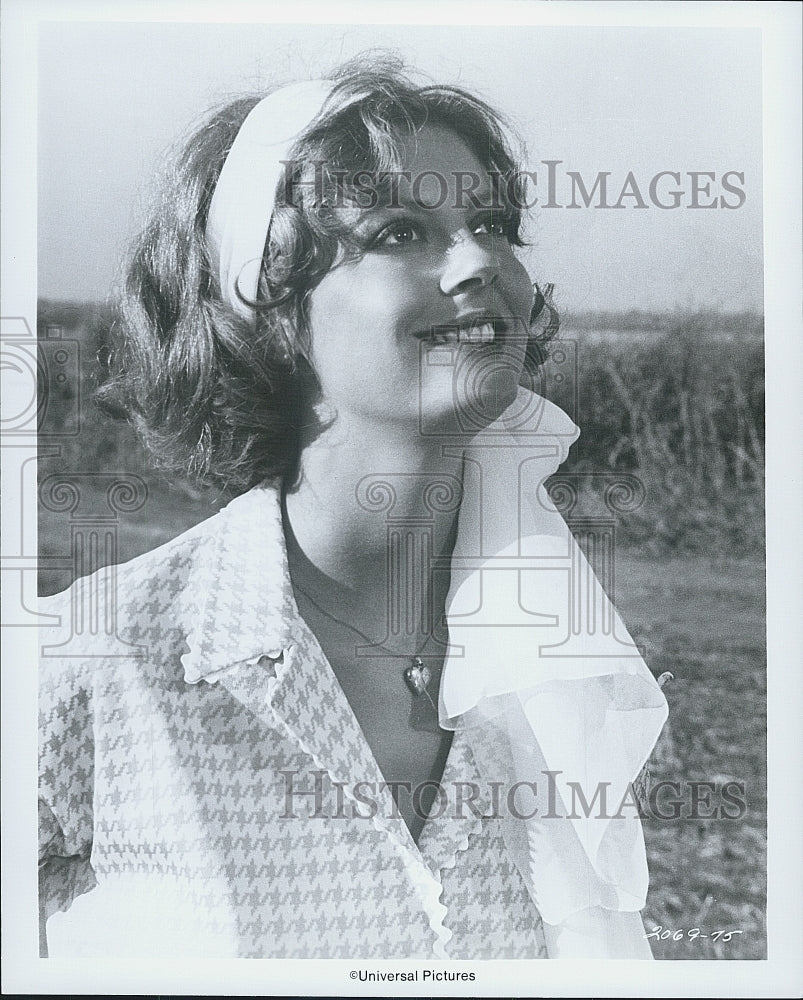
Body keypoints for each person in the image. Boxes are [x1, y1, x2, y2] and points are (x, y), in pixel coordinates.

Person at [38, 54, 669, 960]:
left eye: (489, 222)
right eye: (401, 230)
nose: (479, 262)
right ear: (265, 305)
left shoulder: (546, 666)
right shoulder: (93, 666)